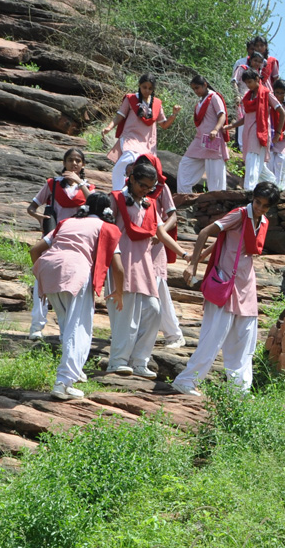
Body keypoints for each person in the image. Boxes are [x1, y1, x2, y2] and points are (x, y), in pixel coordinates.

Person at [173, 181, 280, 396]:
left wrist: (201, 257)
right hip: (225, 281)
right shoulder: (240, 214)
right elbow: (205, 232)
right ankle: (186, 381)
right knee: (213, 336)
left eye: (265, 206)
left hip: (246, 284)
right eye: (257, 202)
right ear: (253, 199)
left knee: (245, 338)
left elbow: (225, 239)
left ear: (270, 208)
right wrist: (194, 263)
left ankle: (239, 390)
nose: (259, 208)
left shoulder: (263, 221)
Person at [29, 192, 125, 401]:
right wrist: (119, 291)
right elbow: (118, 268)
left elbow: (35, 250)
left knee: (67, 324)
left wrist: (41, 279)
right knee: (79, 328)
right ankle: (64, 382)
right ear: (107, 211)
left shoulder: (67, 222)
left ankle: (75, 370)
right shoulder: (106, 227)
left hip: (49, 269)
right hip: (75, 271)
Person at [106, 159, 181, 378]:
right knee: (126, 315)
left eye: (149, 187)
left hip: (144, 265)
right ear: (131, 179)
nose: (145, 191)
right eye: (142, 186)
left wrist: (185, 253)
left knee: (154, 311)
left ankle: (139, 360)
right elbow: (106, 230)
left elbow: (161, 233)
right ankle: (117, 360)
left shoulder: (148, 205)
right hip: (122, 263)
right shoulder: (116, 199)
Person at [26, 148, 95, 340]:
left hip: (77, 241)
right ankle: (37, 326)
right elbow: (31, 207)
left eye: (78, 161)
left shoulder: (89, 188)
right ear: (64, 162)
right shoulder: (52, 184)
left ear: (83, 165)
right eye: (70, 160)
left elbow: (95, 205)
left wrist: (81, 184)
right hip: (52, 238)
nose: (74, 164)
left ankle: (69, 329)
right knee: (41, 279)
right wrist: (41, 218)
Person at [137, 152, 187, 351]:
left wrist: (160, 233)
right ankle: (152, 334)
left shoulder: (161, 188)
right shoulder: (130, 186)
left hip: (156, 244)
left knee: (158, 288)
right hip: (138, 243)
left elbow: (173, 216)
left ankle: (173, 334)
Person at [102, 73, 181, 192]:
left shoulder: (157, 104)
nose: (147, 91)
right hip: (131, 138)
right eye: (144, 87)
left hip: (147, 142)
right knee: (125, 162)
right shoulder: (130, 99)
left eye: (150, 88)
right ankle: (117, 192)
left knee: (143, 169)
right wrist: (109, 127)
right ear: (139, 85)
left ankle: (137, 193)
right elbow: (119, 116)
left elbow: (164, 125)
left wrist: (174, 114)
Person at [177, 74, 230, 194]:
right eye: (194, 89)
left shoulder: (215, 97)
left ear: (205, 85)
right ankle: (185, 196)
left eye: (197, 88)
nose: (196, 91)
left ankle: (217, 202)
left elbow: (222, 115)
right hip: (200, 139)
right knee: (185, 164)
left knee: (215, 174)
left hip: (212, 139)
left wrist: (216, 130)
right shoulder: (200, 101)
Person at [236, 68, 284, 189]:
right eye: (246, 83)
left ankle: (249, 190)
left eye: (250, 82)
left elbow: (282, 112)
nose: (248, 85)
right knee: (260, 166)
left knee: (252, 159)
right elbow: (246, 117)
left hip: (260, 133)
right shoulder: (248, 97)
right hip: (248, 132)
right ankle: (273, 183)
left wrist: (278, 133)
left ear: (257, 79)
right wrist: (231, 126)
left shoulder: (266, 94)